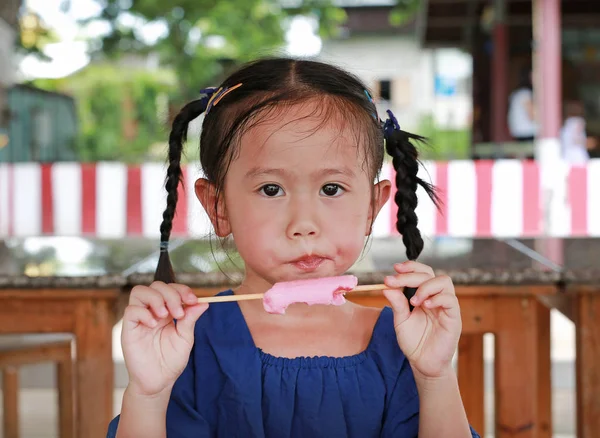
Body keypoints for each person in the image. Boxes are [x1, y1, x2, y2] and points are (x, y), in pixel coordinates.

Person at [107, 58, 480, 438]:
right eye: (272, 189)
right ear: (218, 207)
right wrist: (149, 394)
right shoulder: (185, 345)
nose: (304, 224)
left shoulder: (403, 344)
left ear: (372, 206)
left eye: (331, 189)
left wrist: (435, 375)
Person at [560, 100, 596, 164]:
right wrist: (587, 142)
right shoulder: (577, 121)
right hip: (576, 157)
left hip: (567, 156)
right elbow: (577, 139)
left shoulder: (566, 123)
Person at [508, 68, 537, 143]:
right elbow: (533, 116)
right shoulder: (525, 93)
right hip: (526, 133)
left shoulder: (518, 92)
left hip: (519, 133)